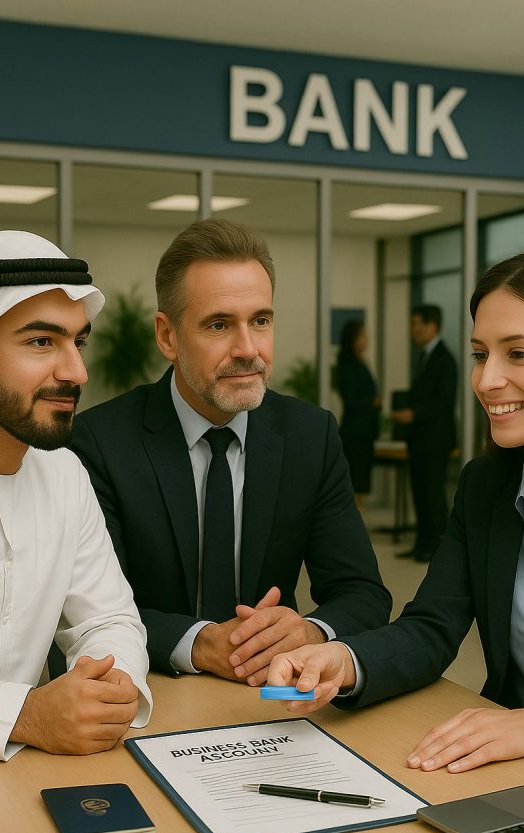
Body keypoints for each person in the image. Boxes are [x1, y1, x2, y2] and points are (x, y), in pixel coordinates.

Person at [267, 243, 524, 770]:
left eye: (520, 353)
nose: (486, 381)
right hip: (517, 776)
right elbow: (433, 627)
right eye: (481, 354)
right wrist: (343, 660)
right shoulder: (485, 487)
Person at [70, 219, 391, 685]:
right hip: (148, 692)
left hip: (274, 698)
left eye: (260, 321)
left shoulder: (310, 435)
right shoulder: (99, 442)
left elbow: (363, 593)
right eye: (219, 325)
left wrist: (309, 631)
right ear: (167, 337)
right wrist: (198, 644)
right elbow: (87, 611)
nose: (248, 349)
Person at [0, 230, 151, 761]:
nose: (76, 372)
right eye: (42, 342)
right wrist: (25, 714)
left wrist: (109, 688)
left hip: (22, 785)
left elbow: (109, 620)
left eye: (77, 342)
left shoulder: (64, 475)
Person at [393, 304, 457, 562]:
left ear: (432, 326)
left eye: (416, 324)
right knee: (419, 492)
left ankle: (436, 546)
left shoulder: (444, 358)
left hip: (435, 440)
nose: (412, 330)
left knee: (432, 493)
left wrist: (414, 414)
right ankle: (422, 543)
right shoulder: (424, 356)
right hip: (419, 439)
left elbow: (444, 401)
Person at [335, 319, 380, 503]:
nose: (366, 340)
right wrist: (372, 403)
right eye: (362, 337)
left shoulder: (361, 363)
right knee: (355, 483)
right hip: (355, 433)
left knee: (361, 483)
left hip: (365, 433)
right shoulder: (348, 366)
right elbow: (351, 400)